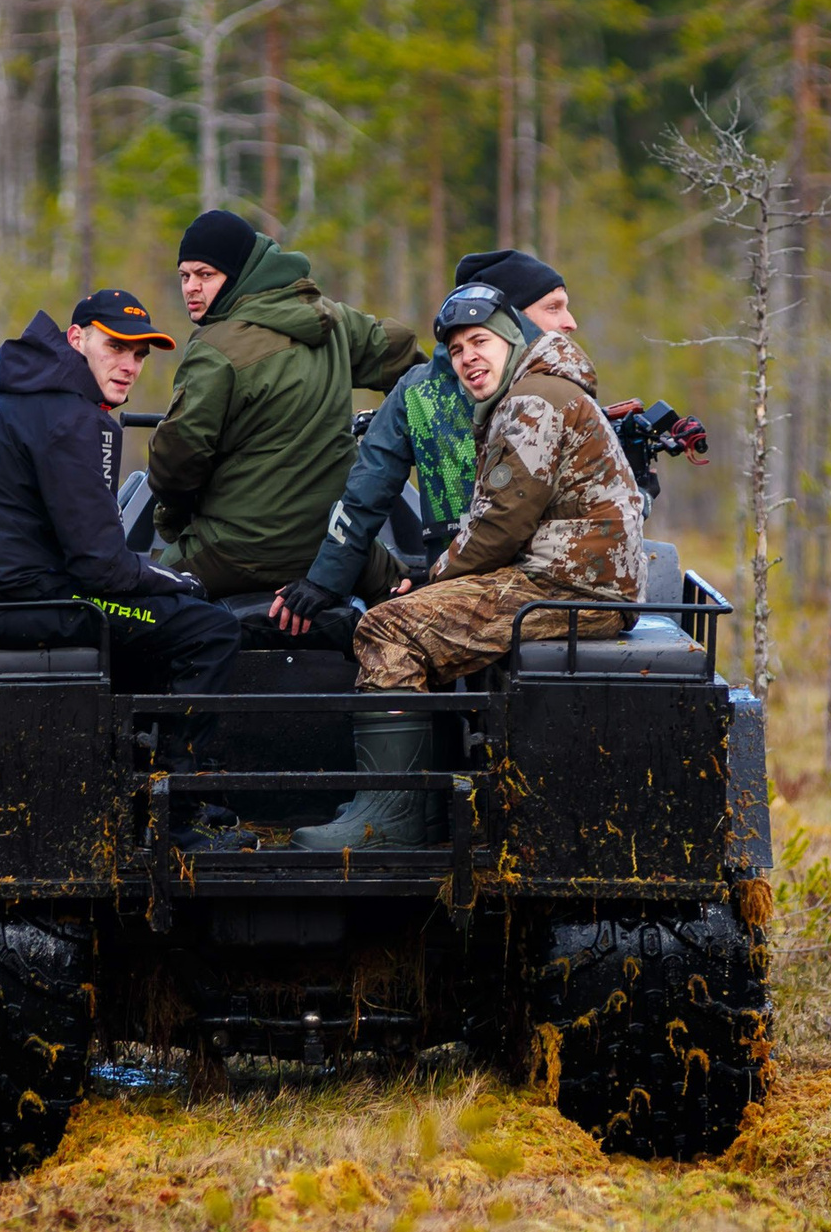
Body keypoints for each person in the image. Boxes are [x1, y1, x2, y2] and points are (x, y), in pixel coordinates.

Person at [289, 281, 646, 851]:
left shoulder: (533, 400)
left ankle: (391, 820)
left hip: (561, 584)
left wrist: (432, 581)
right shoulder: (537, 391)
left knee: (388, 624)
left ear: (510, 339)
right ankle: (423, 810)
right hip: (570, 577)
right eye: (456, 351)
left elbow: (499, 523)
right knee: (411, 611)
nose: (467, 358)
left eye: (480, 341)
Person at [0, 289, 240, 700]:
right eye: (115, 347)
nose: (128, 366)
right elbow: (104, 568)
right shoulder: (71, 420)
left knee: (139, 618)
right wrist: (181, 581)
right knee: (210, 627)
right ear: (77, 339)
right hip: (11, 607)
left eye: (139, 355)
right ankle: (180, 764)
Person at [269, 249, 576, 638]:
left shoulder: (552, 384)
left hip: (515, 588)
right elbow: (364, 496)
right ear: (506, 316)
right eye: (553, 308)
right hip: (488, 590)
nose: (570, 322)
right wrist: (323, 582)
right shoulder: (421, 391)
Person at [149, 210, 423, 602]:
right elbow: (400, 352)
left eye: (205, 275)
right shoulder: (331, 321)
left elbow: (176, 466)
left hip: (234, 551)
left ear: (240, 272)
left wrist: (173, 521)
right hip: (334, 546)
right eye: (184, 276)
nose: (191, 287)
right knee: (412, 591)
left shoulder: (215, 349)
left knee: (142, 600)